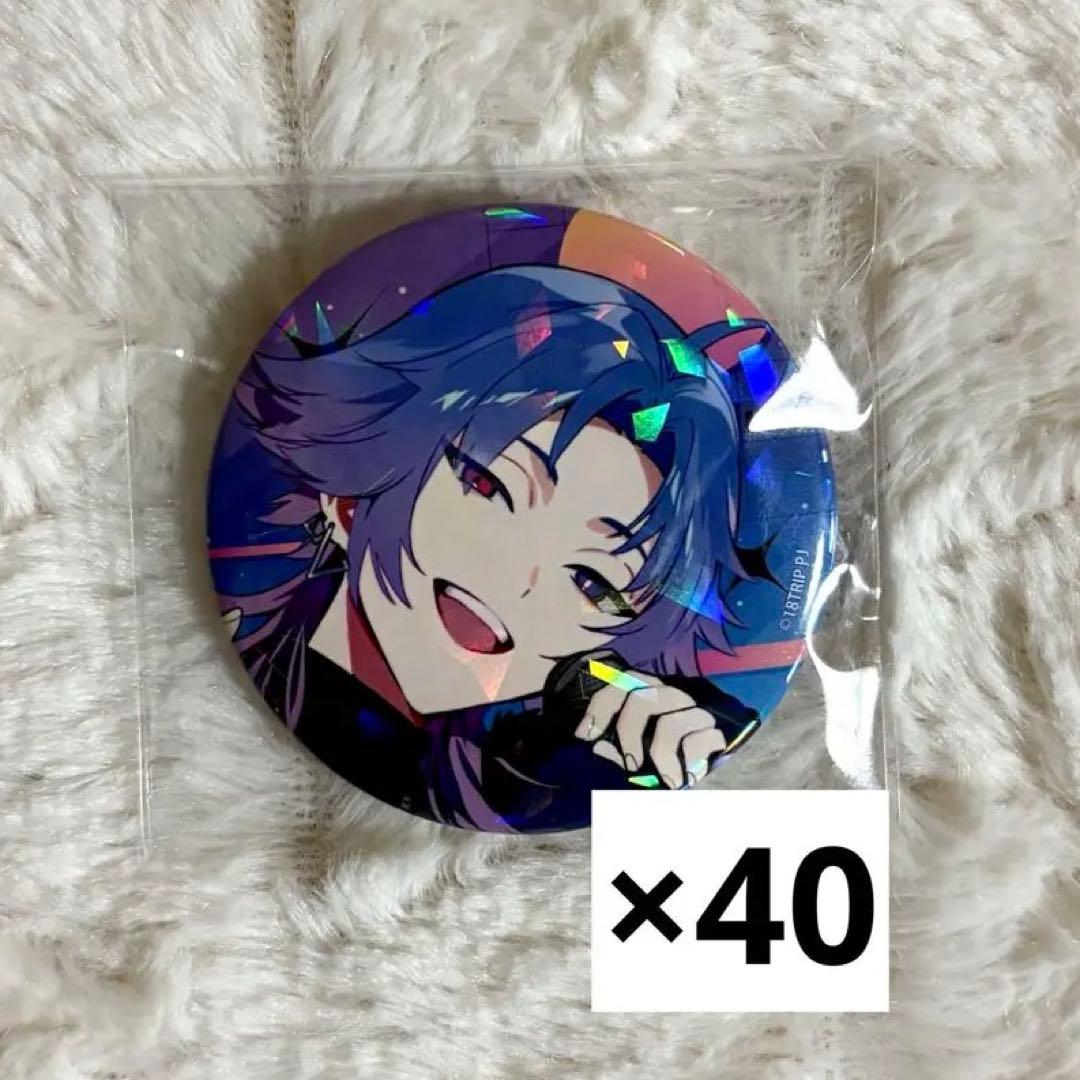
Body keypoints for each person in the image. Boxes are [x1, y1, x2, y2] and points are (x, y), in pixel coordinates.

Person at [215, 264, 772, 830]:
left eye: (593, 582)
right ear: (355, 493)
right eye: (489, 485)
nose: (521, 580)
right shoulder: (233, 672)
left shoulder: (529, 775)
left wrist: (683, 730)